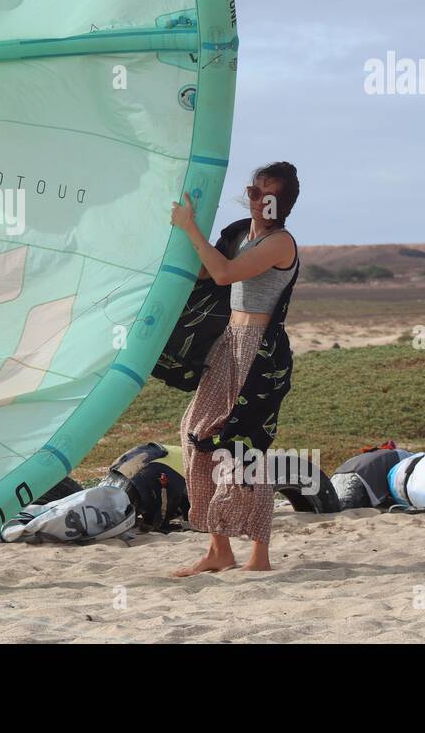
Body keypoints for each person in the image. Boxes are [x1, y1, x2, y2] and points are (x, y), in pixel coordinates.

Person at [168, 162, 300, 575]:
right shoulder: (241, 233)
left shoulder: (281, 244)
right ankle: (218, 548)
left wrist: (190, 228)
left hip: (260, 351)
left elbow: (225, 274)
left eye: (270, 195)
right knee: (196, 435)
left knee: (245, 448)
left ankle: (259, 556)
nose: (262, 200)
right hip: (228, 343)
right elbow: (210, 269)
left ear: (285, 203)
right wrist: (191, 237)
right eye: (257, 191)